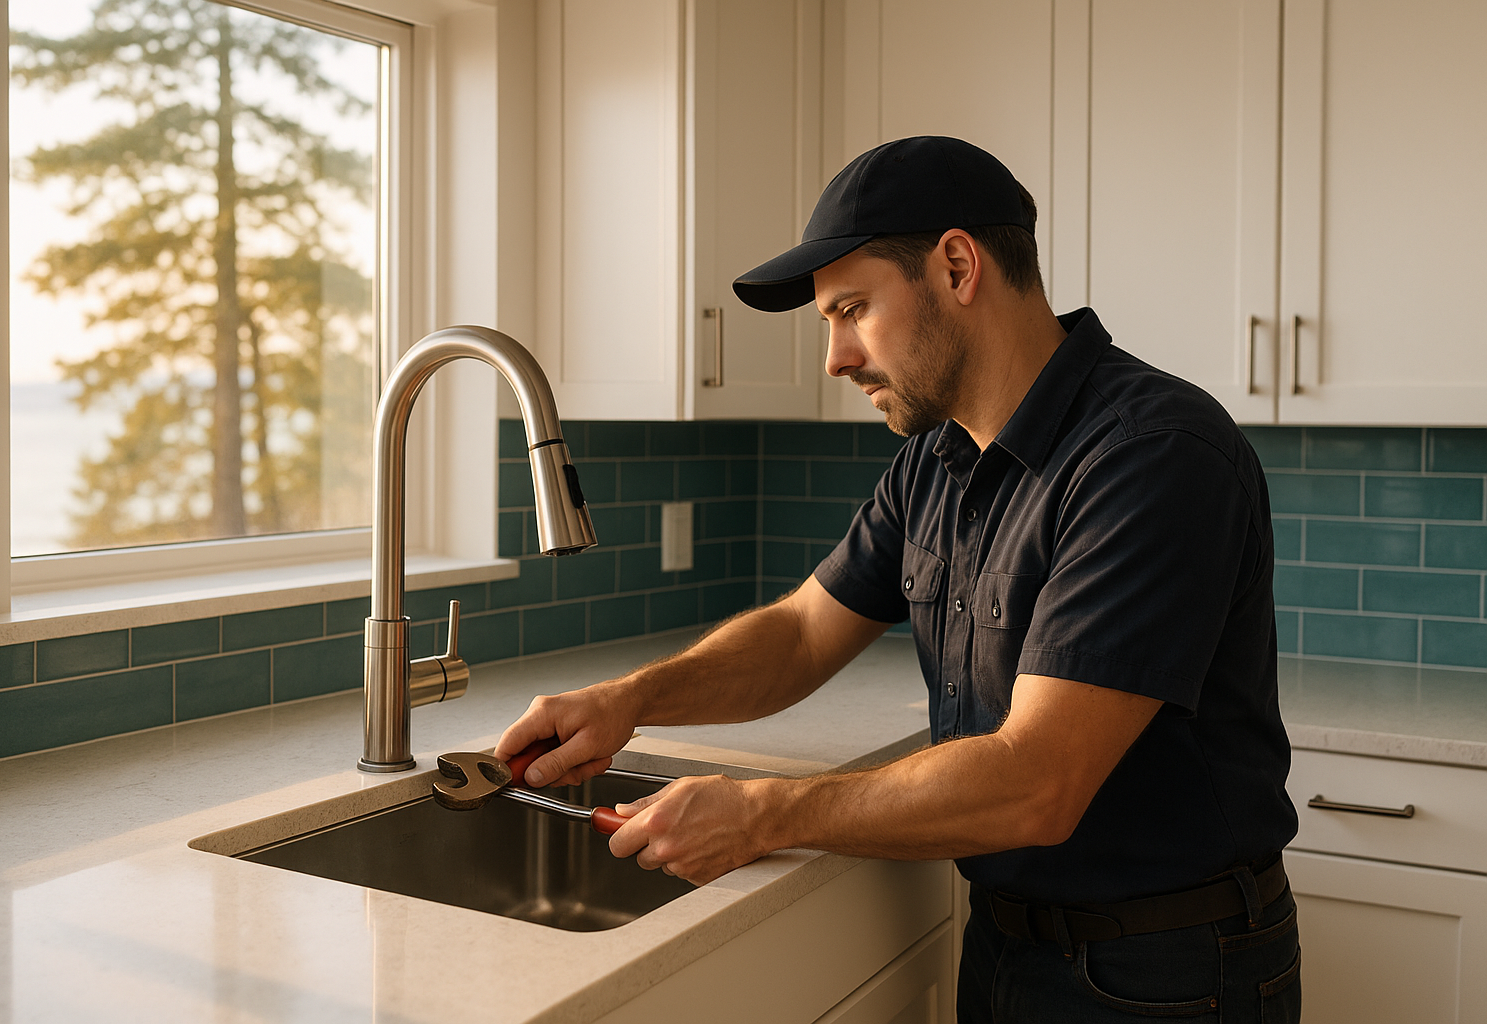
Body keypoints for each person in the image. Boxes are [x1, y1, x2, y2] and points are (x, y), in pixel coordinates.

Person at [496, 136, 1301, 1022]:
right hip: (1005, 945)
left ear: (958, 266)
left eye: (852, 310)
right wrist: (632, 697)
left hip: (1166, 973)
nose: (836, 358)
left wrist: (760, 814)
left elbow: (1037, 780)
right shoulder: (936, 460)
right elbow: (803, 632)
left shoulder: (1150, 455)